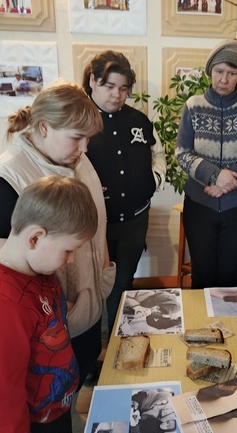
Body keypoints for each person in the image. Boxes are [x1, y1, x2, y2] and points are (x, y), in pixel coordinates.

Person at [0, 81, 116, 391]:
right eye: (77, 138)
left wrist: (104, 268)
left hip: (87, 307)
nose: (85, 148)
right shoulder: (9, 178)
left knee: (78, 380)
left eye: (88, 139)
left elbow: (95, 222)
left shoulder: (75, 157)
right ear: (44, 127)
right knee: (55, 396)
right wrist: (61, 305)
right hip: (53, 326)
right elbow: (9, 272)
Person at [0, 176, 98, 433]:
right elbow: (6, 396)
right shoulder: (7, 305)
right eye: (68, 250)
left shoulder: (39, 271)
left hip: (59, 408)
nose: (71, 259)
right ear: (35, 238)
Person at [175, 39, 237, 288]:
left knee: (230, 274)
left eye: (232, 73)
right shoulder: (193, 106)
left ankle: (225, 316)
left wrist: (227, 182)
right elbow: (182, 153)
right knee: (201, 275)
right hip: (200, 204)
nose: (224, 79)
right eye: (219, 71)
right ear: (210, 70)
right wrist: (214, 175)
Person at [82, 50, 166, 333]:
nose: (117, 95)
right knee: (92, 286)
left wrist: (154, 180)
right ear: (92, 81)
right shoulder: (78, 120)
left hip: (135, 220)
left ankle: (119, 338)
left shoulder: (139, 119)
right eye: (109, 86)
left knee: (123, 283)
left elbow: (158, 153)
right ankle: (95, 343)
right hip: (93, 224)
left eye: (123, 88)